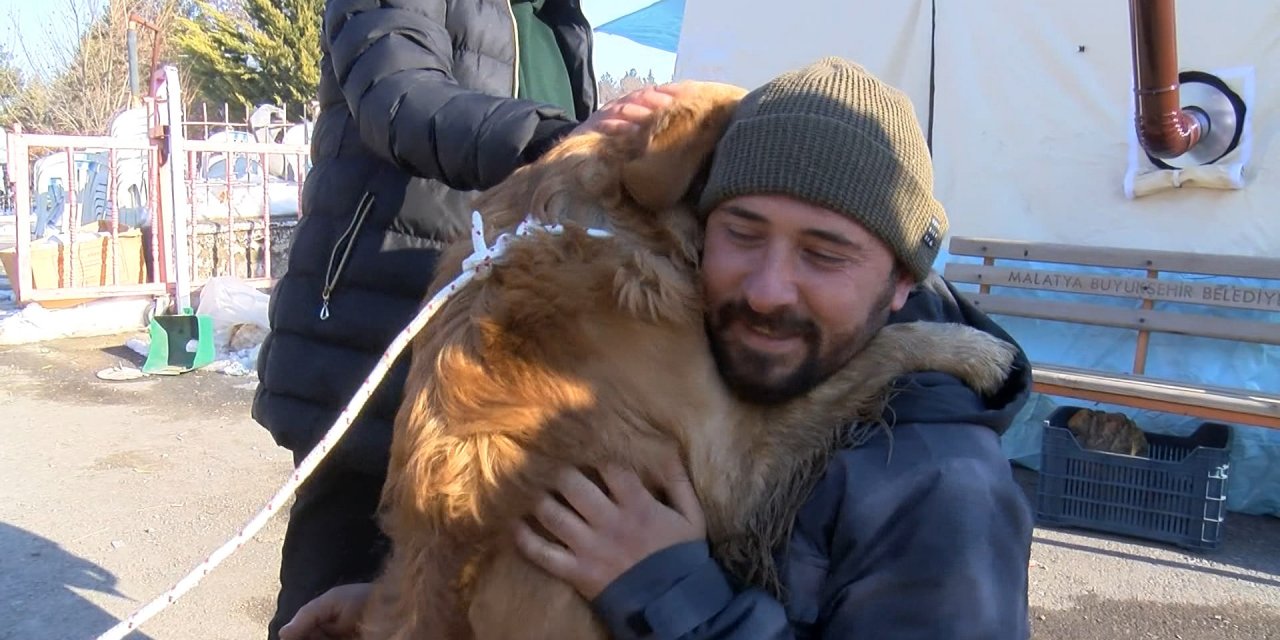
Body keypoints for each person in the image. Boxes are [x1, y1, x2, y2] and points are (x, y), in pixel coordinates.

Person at [280, 57, 1035, 639]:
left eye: (825, 254)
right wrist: (406, 610)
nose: (769, 289)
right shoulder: (733, 363)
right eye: (737, 233)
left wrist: (670, 586)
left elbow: (713, 510)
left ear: (903, 279)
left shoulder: (944, 490)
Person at [251, 1, 679, 638]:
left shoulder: (558, 18)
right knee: (336, 602)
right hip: (374, 336)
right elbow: (400, 98)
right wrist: (566, 142)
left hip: (496, 359)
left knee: (462, 604)